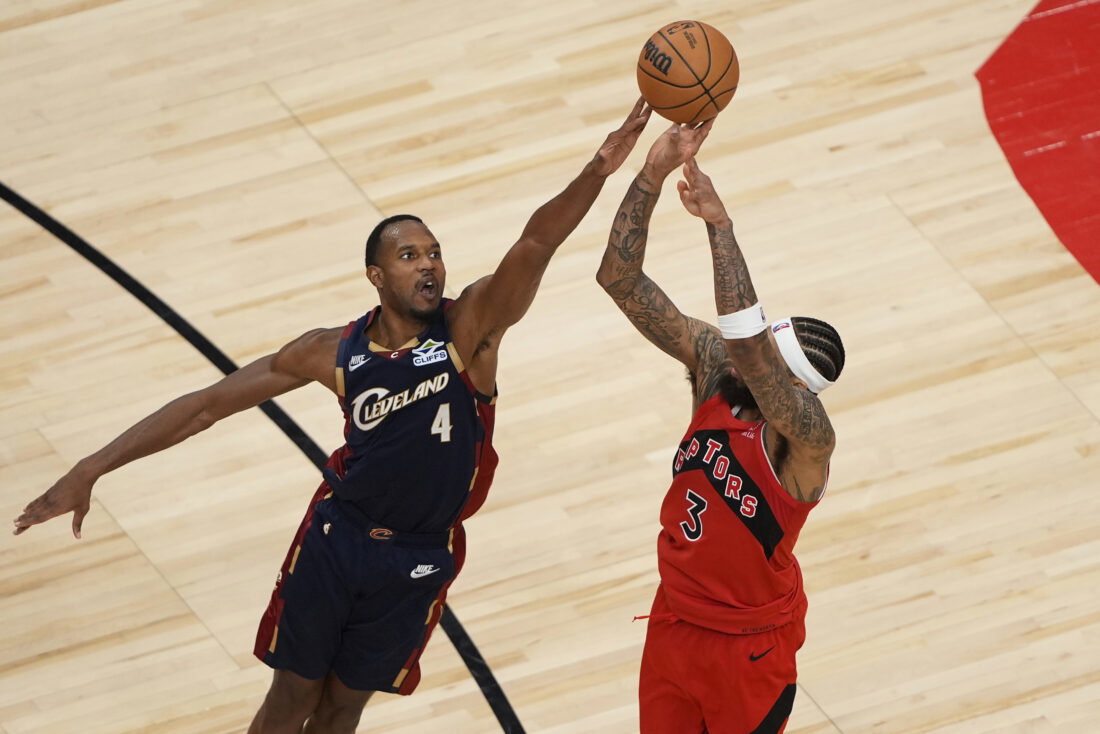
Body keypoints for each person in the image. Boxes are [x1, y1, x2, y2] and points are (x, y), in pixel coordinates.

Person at [13, 99, 653, 734]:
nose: (428, 263)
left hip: (420, 552)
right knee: (291, 699)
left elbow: (536, 242)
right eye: (409, 256)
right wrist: (92, 466)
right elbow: (203, 409)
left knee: (342, 710)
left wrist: (599, 167)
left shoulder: (470, 331)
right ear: (376, 276)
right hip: (337, 538)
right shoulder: (331, 352)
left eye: (434, 252)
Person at [597, 127, 845, 734]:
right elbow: (618, 280)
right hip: (675, 621)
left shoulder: (806, 442)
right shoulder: (717, 367)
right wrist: (651, 175)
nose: (740, 357)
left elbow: (753, 353)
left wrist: (720, 228)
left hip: (748, 649)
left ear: (796, 390)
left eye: (759, 356)